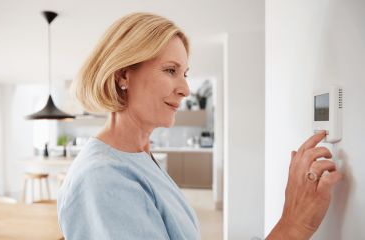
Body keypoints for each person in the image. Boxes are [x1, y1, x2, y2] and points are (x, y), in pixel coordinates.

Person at [57, 12, 343, 240]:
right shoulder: (104, 179)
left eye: (185, 73)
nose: (185, 89)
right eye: (170, 71)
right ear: (123, 75)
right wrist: (293, 226)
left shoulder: (140, 155)